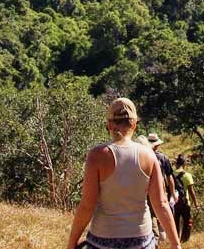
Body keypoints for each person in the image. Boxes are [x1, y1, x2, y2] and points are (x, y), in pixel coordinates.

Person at [66, 98, 182, 249]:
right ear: (134, 124)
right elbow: (161, 204)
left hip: (103, 239)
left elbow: (88, 205)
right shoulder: (149, 155)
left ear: (109, 125)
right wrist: (175, 244)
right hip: (141, 240)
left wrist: (71, 243)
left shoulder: (97, 155)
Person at [172, 154, 199, 242]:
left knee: (175, 221)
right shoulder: (187, 175)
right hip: (185, 202)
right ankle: (184, 240)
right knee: (187, 222)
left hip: (174, 202)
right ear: (184, 164)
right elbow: (191, 191)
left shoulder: (172, 174)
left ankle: (175, 240)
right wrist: (196, 203)